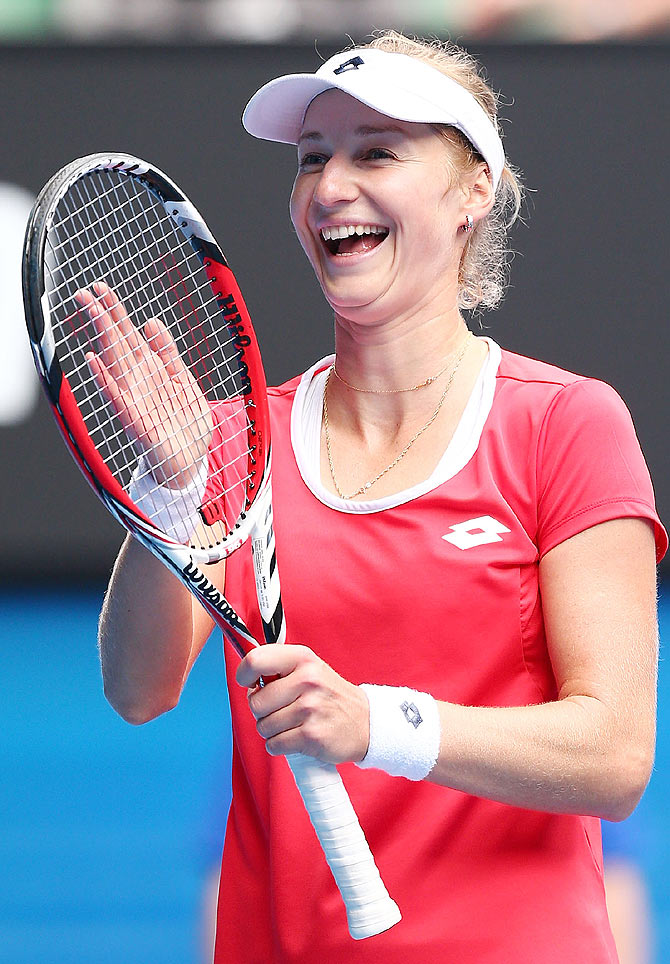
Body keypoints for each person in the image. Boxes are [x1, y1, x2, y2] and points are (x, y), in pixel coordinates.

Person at [94, 31, 667, 963]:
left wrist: (378, 725)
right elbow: (137, 687)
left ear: (473, 191)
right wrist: (169, 488)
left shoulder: (567, 424)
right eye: (313, 158)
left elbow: (613, 756)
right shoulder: (242, 441)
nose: (330, 186)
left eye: (378, 152)